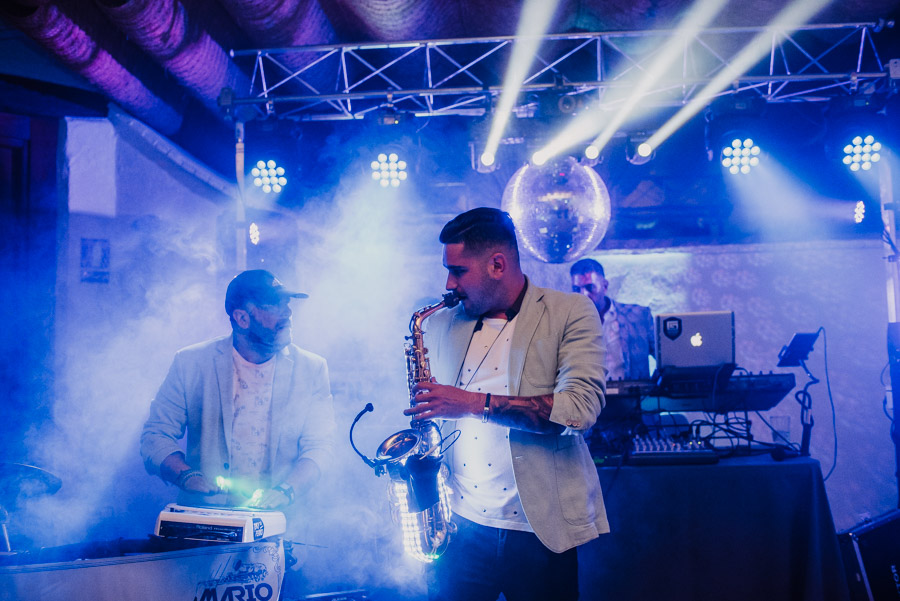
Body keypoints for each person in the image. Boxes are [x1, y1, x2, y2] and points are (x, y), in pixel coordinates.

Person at [406, 207, 608, 601]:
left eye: (459, 271)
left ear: (497, 264)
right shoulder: (444, 322)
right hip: (458, 527)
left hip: (537, 529)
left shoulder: (570, 313)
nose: (449, 283)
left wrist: (469, 403)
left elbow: (579, 409)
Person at [140, 269, 335, 511]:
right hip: (205, 521)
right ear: (242, 318)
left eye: (287, 304)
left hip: (282, 521)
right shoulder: (191, 362)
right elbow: (155, 435)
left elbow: (321, 447)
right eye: (275, 305)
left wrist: (286, 492)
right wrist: (186, 476)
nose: (288, 313)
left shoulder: (312, 368)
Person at [570, 257, 655, 381]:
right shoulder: (567, 323)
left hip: (634, 397)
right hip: (587, 398)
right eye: (577, 289)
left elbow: (664, 357)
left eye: (590, 287)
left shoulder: (639, 316)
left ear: (605, 286)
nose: (584, 294)